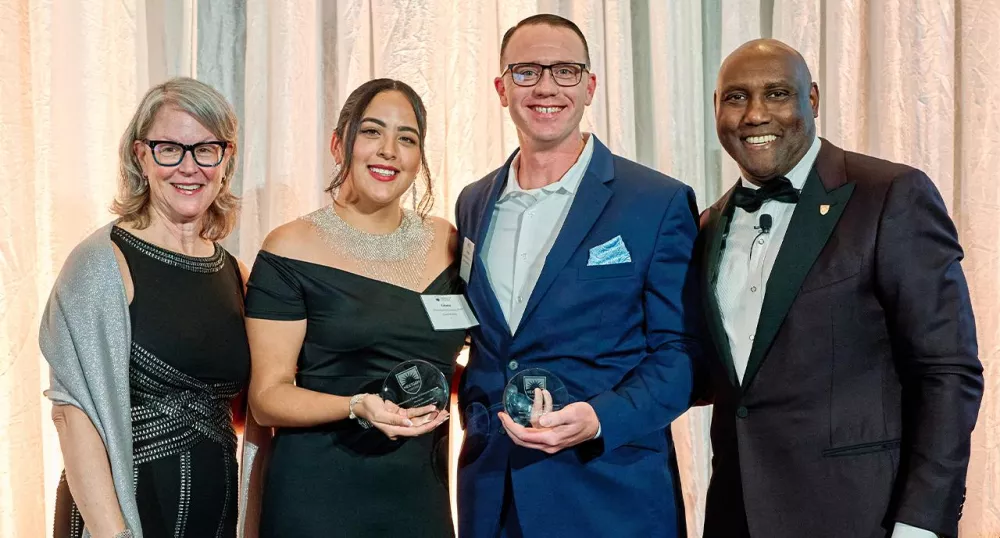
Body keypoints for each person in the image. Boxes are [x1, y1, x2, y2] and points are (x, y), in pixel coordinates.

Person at [698, 39, 984, 538]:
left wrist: (922, 521)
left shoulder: (891, 195)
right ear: (717, 109)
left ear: (811, 100)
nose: (755, 114)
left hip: (864, 517)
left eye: (777, 93)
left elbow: (946, 369)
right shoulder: (708, 224)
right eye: (736, 97)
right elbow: (709, 376)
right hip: (736, 517)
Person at [454, 14, 701, 538]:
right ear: (501, 88)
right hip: (493, 495)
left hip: (609, 496)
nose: (546, 87)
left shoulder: (656, 202)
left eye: (565, 71)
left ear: (589, 86)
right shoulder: (473, 202)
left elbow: (678, 356)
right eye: (526, 72)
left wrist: (599, 418)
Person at [244, 78, 463, 537]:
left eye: (407, 138)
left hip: (420, 494)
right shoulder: (290, 248)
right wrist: (355, 405)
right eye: (371, 132)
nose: (389, 150)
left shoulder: (448, 243)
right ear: (338, 143)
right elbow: (266, 398)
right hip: (320, 496)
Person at [40, 77, 252, 538]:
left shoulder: (236, 273)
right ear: (141, 155)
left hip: (213, 515)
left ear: (226, 157)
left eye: (205, 149)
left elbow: (244, 410)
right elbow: (72, 414)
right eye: (169, 148)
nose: (189, 167)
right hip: (116, 520)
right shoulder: (101, 262)